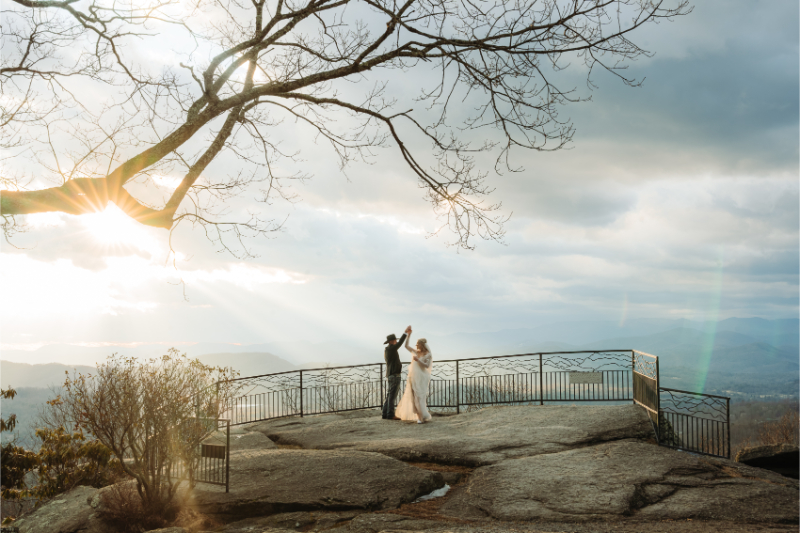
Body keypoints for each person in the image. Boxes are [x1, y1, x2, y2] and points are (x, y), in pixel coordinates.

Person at [395, 328, 433, 424]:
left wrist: (418, 360)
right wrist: (409, 335)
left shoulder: (428, 354)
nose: (416, 346)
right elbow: (406, 346)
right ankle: (419, 416)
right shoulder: (417, 352)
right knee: (413, 396)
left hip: (421, 377)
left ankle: (421, 416)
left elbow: (427, 366)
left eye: (418, 344)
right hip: (413, 377)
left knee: (420, 396)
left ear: (422, 345)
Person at [381, 326, 410, 420]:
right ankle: (390, 415)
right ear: (391, 341)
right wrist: (405, 333)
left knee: (389, 395)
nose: (396, 342)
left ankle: (385, 413)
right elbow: (400, 343)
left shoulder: (387, 350)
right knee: (392, 396)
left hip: (390, 374)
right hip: (394, 375)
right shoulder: (391, 349)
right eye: (394, 340)